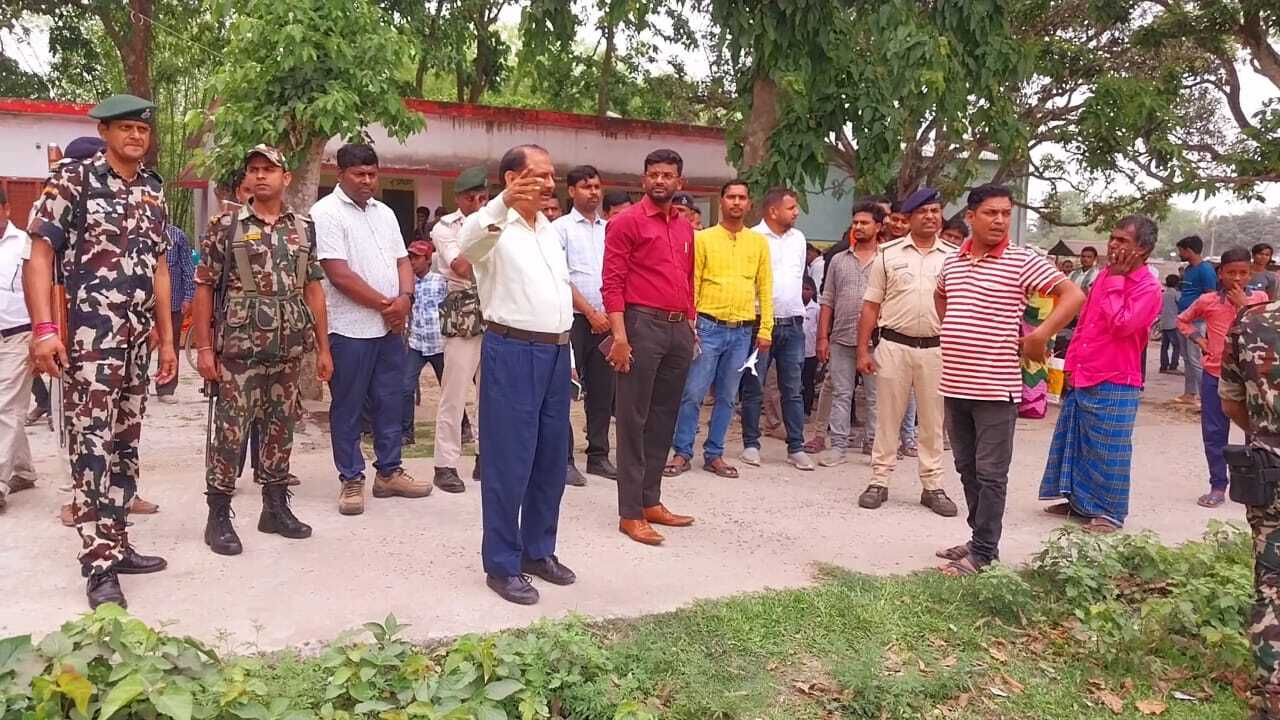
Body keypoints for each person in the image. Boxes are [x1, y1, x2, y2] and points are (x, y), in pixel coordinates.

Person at [24, 94, 175, 608]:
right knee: (91, 446)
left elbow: (159, 267)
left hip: (136, 342)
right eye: (125, 128)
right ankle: (98, 563)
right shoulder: (74, 180)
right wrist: (45, 330)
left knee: (125, 443)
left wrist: (167, 338)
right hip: (89, 341)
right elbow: (40, 255)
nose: (136, 136)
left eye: (142, 130)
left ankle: (118, 540)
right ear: (105, 132)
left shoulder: (153, 191)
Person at [933, 184, 1085, 575]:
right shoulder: (953, 262)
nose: (1000, 220)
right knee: (967, 468)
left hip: (996, 387)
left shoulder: (1022, 261)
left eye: (1005, 213)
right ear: (971, 217)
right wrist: (952, 327)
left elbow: (1073, 296)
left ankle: (985, 554)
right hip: (955, 384)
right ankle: (977, 539)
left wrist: (1040, 334)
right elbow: (941, 295)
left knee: (990, 473)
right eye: (991, 213)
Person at [194, 145, 332, 555]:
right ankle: (218, 515)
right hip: (239, 353)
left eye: (268, 169)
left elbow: (313, 288)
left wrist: (324, 349)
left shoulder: (303, 228)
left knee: (281, 429)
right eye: (253, 169)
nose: (259, 176)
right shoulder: (226, 225)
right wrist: (204, 349)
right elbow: (204, 287)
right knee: (229, 433)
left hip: (287, 350)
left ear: (285, 178)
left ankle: (274, 507)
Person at [459, 144, 576, 605]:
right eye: (539, 175)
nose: (549, 184)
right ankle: (502, 565)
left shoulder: (547, 229)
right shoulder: (492, 226)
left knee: (551, 459)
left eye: (551, 175)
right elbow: (469, 247)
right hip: (512, 352)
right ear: (511, 178)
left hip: (555, 352)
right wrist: (501, 204)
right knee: (508, 462)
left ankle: (537, 551)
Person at [313, 143, 429, 515]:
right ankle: (351, 477)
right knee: (348, 407)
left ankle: (389, 472)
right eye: (359, 174)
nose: (367, 180)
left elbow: (402, 261)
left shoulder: (385, 213)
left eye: (372, 174)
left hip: (389, 330)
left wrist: (405, 299)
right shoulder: (325, 213)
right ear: (340, 173)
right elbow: (338, 273)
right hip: (348, 330)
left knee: (389, 400)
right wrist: (387, 305)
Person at [1038, 216, 1162, 533]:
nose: (1113, 245)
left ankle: (1110, 513)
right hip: (1084, 371)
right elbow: (1086, 323)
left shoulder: (1148, 287)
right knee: (1077, 441)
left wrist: (1118, 281)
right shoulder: (1105, 275)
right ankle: (1080, 503)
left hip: (1116, 378)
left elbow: (1122, 324)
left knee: (1109, 450)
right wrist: (1070, 363)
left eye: (1123, 241)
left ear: (1143, 249)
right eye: (1112, 238)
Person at [602, 148, 697, 546]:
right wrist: (620, 336)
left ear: (679, 182)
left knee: (663, 418)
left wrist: (690, 324)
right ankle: (630, 513)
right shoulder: (626, 222)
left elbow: (687, 278)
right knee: (633, 420)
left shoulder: (686, 227)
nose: (660, 181)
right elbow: (612, 282)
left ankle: (651, 500)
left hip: (678, 329)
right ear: (644, 180)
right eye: (654, 174)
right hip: (640, 326)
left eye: (667, 175)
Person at [855, 188, 957, 515]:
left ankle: (933, 486)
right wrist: (862, 351)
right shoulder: (887, 255)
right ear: (909, 218)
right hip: (894, 346)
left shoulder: (953, 257)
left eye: (935, 211)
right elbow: (871, 306)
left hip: (937, 350)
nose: (930, 216)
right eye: (923, 211)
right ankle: (879, 480)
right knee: (887, 417)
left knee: (932, 421)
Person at [665, 179, 772, 480]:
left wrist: (766, 328)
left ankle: (714, 453)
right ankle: (682, 451)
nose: (736, 202)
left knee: (727, 396)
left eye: (742, 198)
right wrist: (691, 323)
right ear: (721, 201)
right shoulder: (704, 239)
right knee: (693, 392)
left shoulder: (758, 243)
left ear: (749, 204)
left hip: (742, 330)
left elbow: (765, 286)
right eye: (731, 197)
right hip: (708, 327)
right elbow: (693, 282)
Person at [1217, 287, 1280, 720]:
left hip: (1270, 472)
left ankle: (1272, 698)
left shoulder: (1250, 322)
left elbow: (1230, 402)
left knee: (1272, 584)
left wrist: (1263, 435)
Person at [1179, 247, 1269, 508]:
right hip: (1215, 374)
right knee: (1214, 432)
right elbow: (1183, 321)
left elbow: (1266, 329)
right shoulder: (1208, 300)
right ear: (1220, 274)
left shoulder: (1260, 299)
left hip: (1251, 377)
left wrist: (1244, 306)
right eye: (1231, 272)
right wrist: (1200, 340)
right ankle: (1218, 485)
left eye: (1243, 272)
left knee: (1256, 432)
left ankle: (1255, 486)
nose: (1237, 278)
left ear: (1250, 274)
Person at [740, 187, 815, 470]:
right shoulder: (752, 238)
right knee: (754, 386)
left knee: (793, 388)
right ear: (773, 211)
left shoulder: (799, 239)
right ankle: (751, 444)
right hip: (760, 323)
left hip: (793, 324)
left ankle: (796, 447)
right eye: (791, 207)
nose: (796, 212)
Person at [552, 165, 618, 483]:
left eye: (596, 186)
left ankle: (598, 456)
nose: (593, 192)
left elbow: (617, 274)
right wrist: (591, 313)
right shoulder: (559, 229)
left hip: (607, 320)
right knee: (565, 389)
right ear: (571, 191)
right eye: (585, 186)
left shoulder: (611, 229)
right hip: (574, 320)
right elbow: (561, 277)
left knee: (604, 391)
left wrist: (609, 317)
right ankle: (564, 460)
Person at [431, 166, 489, 492]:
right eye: (471, 198)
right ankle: (445, 464)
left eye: (483, 197)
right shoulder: (445, 228)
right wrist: (487, 232)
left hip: (494, 308)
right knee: (454, 391)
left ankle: (485, 457)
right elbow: (463, 268)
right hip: (463, 308)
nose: (478, 203)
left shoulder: (498, 223)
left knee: (489, 393)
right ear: (458, 198)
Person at [816, 202, 882, 466]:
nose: (858, 227)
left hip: (877, 341)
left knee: (876, 397)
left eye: (864, 223)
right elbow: (827, 299)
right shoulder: (839, 260)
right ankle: (838, 447)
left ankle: (874, 446)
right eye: (855, 222)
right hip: (841, 338)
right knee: (841, 393)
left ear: (878, 227)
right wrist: (822, 337)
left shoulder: (886, 260)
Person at [0, 190, 39, 510]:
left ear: (7, 209)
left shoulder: (24, 244)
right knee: (7, 408)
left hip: (18, 336)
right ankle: (23, 470)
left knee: (6, 407)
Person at [403, 240, 448, 445]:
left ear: (428, 259)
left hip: (439, 344)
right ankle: (406, 433)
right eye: (410, 257)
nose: (412, 261)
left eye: (416, 257)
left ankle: (463, 426)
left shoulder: (440, 282)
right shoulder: (407, 284)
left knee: (448, 388)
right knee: (406, 387)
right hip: (417, 343)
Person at [1174, 235, 1218, 405]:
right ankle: (1189, 393)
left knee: (1195, 359)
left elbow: (1210, 295)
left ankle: (1205, 397)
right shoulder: (1189, 269)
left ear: (1189, 251)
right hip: (1183, 318)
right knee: (1186, 358)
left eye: (1181, 250)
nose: (1180, 254)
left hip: (1197, 321)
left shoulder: (1205, 270)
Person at [154, 222, 194, 403]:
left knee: (170, 343)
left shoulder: (177, 236)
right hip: (143, 301)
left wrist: (188, 296)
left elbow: (188, 268)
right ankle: (135, 383)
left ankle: (166, 387)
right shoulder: (139, 229)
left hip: (173, 300)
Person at [801, 276, 820, 415]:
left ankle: (807, 409)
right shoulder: (796, 307)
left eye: (807, 289)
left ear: (813, 291)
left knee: (808, 381)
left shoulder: (816, 309)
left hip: (810, 351)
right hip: (797, 350)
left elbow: (820, 328)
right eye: (802, 289)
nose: (804, 292)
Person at [1159, 274, 1183, 374]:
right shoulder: (1177, 294)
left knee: (1164, 346)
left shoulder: (1163, 294)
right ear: (1177, 283)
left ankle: (1163, 366)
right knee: (1177, 345)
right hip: (1173, 323)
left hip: (1164, 322)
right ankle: (1173, 366)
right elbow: (1181, 305)